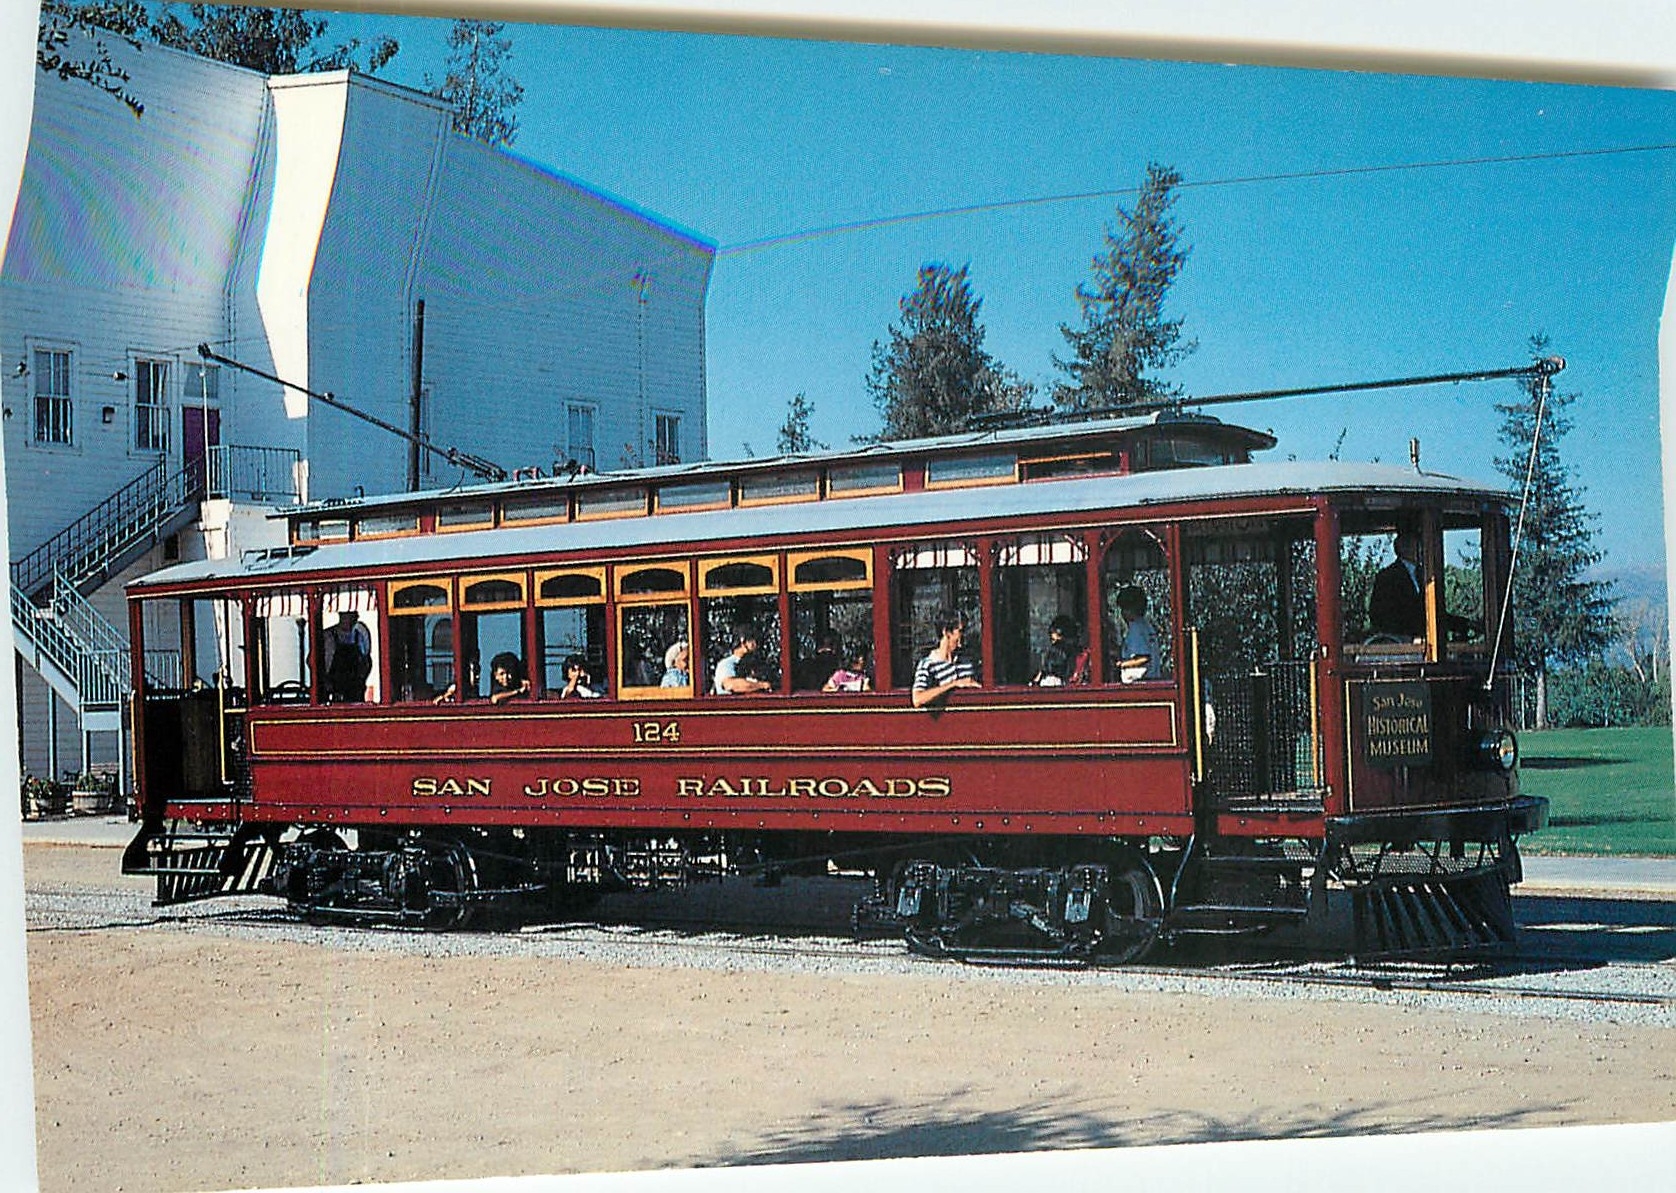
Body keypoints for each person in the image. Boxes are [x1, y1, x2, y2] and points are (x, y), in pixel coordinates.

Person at [1367, 529, 1477, 642]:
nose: (1422, 549)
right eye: (1417, 545)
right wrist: (1408, 637)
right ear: (1403, 548)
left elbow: (1434, 614)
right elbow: (1379, 615)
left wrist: (1465, 624)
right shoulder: (1387, 577)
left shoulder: (1426, 575)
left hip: (1427, 644)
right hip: (1399, 646)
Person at [911, 610, 981, 708]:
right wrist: (953, 684)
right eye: (960, 631)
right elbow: (917, 699)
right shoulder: (928, 665)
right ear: (946, 632)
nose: (963, 636)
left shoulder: (968, 661)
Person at [322, 609, 373, 702]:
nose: (356, 617)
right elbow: (316, 663)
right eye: (352, 615)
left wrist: (361, 681)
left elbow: (366, 661)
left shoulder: (360, 635)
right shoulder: (328, 636)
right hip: (335, 695)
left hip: (356, 693)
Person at [1114, 586, 1161, 682]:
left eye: (1124, 609)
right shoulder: (1146, 626)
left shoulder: (1135, 629)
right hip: (1153, 679)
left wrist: (1121, 665)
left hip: (1140, 682)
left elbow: (1143, 658)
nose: (1122, 614)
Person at [713, 624, 773, 694]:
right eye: (752, 640)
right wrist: (761, 685)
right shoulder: (726, 664)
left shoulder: (754, 664)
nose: (755, 644)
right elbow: (730, 685)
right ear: (743, 642)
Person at [1032, 615, 1081, 686]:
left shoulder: (1080, 659)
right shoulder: (1051, 655)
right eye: (1053, 641)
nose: (1056, 647)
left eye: (1060, 643)